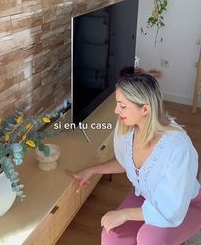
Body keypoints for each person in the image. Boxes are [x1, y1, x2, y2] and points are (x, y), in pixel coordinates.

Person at [68, 73, 201, 245]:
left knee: (148, 239)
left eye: (122, 106)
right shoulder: (128, 127)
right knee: (111, 237)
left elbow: (171, 208)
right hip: (146, 195)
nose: (117, 110)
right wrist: (91, 170)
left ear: (145, 109)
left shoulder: (178, 148)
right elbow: (126, 162)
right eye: (117, 104)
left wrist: (124, 214)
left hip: (184, 205)